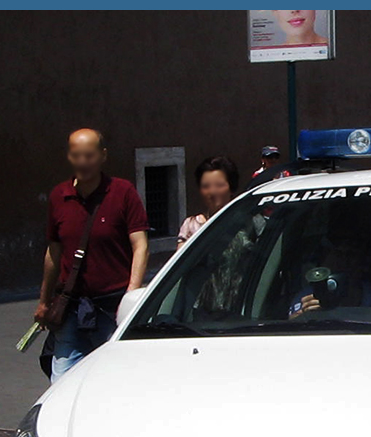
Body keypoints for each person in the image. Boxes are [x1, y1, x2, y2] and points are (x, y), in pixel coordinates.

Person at [35, 129, 149, 382]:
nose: (83, 162)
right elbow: (53, 252)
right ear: (69, 157)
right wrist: (44, 300)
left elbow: (140, 245)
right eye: (76, 156)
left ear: (103, 156)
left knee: (113, 377)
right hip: (71, 306)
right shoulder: (60, 196)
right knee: (61, 379)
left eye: (89, 155)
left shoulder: (122, 192)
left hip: (112, 306)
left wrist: (131, 295)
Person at [177, 156, 240, 247]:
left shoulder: (249, 222)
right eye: (206, 186)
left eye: (219, 185)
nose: (213, 192)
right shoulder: (191, 226)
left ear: (231, 187)